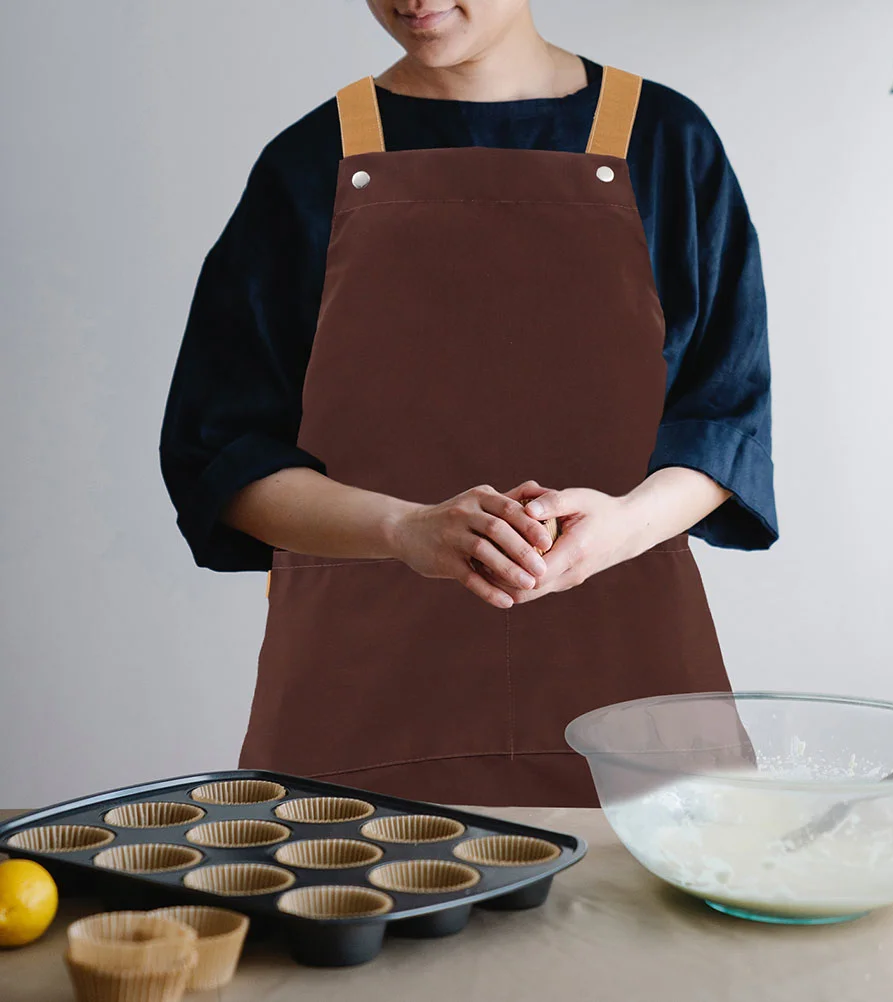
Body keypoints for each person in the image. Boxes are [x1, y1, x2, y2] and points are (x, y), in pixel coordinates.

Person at [160, 0, 778, 808]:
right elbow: (224, 456)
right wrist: (402, 529)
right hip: (364, 688)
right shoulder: (309, 161)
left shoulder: (664, 141)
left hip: (630, 678)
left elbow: (724, 420)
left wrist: (622, 527)